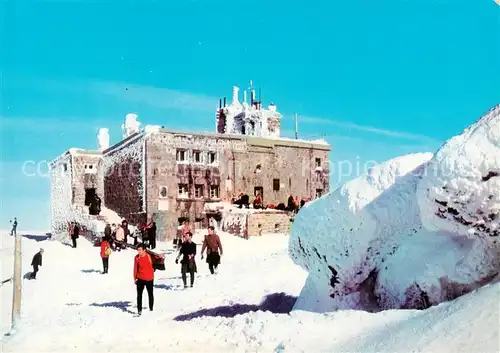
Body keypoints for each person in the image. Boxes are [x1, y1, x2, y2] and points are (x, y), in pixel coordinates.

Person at [133, 244, 154, 316]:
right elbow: (135, 268)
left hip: (149, 278)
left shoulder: (149, 256)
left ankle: (151, 308)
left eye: (140, 250)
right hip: (140, 278)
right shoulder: (136, 257)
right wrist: (135, 278)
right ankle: (139, 311)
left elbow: (156, 262)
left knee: (150, 294)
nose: (138, 251)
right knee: (139, 295)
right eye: (137, 250)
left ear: (144, 250)